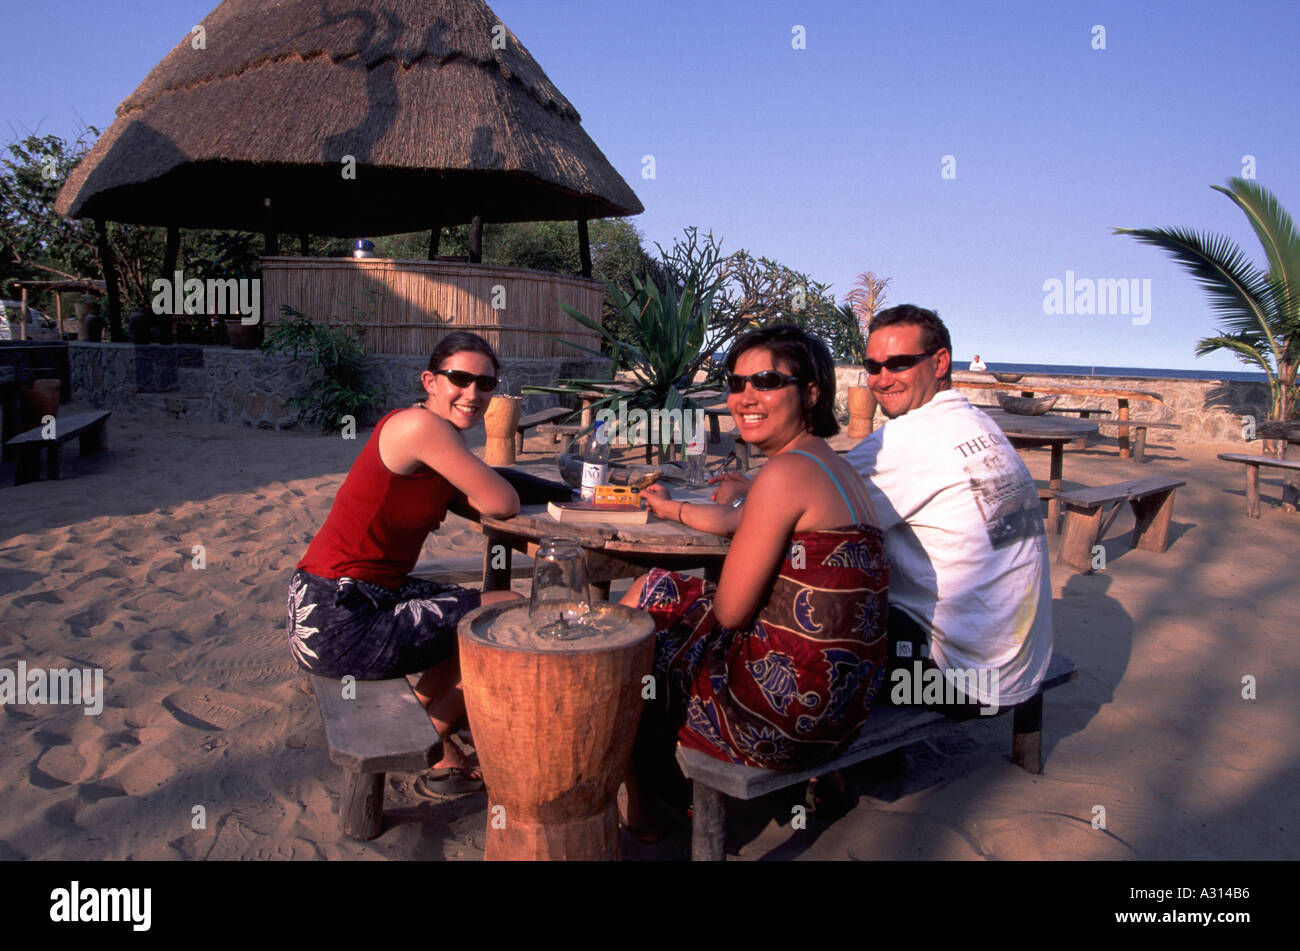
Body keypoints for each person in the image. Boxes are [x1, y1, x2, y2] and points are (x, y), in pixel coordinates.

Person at [618, 325, 889, 832]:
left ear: (810, 392)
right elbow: (735, 520)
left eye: (765, 381)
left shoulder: (783, 475)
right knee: (673, 598)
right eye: (736, 382)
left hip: (784, 722)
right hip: (845, 712)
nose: (745, 397)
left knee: (649, 601)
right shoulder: (835, 467)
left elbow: (732, 612)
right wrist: (672, 508)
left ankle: (646, 797)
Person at [286, 331, 523, 798]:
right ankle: (432, 730)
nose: (473, 394)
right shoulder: (421, 429)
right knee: (506, 609)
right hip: (341, 618)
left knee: (472, 606)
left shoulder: (436, 437)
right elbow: (502, 501)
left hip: (331, 599)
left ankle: (420, 715)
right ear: (429, 380)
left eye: (486, 384)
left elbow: (476, 495)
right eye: (459, 378)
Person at [843, 305, 1052, 715]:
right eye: (873, 366)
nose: (882, 380)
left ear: (939, 362)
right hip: (1020, 668)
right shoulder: (977, 422)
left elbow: (803, 514)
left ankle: (833, 763)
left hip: (962, 685)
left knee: (810, 606)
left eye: (899, 363)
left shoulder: (907, 440)